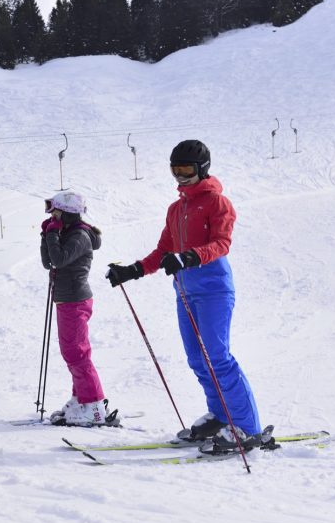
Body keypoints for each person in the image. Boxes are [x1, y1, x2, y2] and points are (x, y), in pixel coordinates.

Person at [105, 139, 265, 453]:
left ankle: (247, 427)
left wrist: (189, 257)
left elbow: (222, 243)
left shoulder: (218, 203)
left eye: (187, 169)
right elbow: (164, 251)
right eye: (175, 169)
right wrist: (132, 270)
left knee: (218, 357)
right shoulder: (176, 209)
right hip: (185, 291)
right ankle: (220, 416)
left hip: (214, 289)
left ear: (202, 169)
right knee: (197, 359)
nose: (180, 176)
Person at [39, 191, 114, 427]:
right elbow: (47, 262)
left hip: (74, 300)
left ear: (68, 214)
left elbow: (59, 260)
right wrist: (46, 235)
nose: (52, 216)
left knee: (76, 354)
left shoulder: (79, 235)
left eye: (55, 212)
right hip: (66, 299)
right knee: (72, 353)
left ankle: (93, 406)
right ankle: (81, 398)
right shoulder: (67, 232)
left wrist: (52, 234)